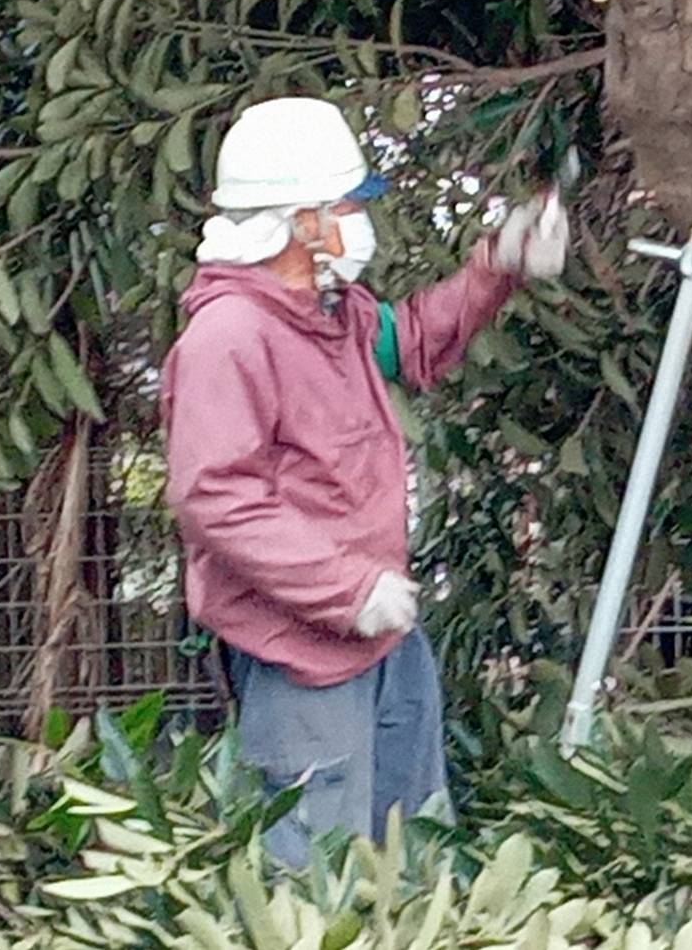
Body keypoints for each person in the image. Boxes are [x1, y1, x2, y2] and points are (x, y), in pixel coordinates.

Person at [160, 96, 566, 866]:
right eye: (347, 206)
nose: (359, 221)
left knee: (413, 848)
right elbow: (214, 496)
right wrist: (345, 589)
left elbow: (408, 341)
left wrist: (495, 267)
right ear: (302, 221)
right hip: (301, 649)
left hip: (381, 633)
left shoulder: (329, 311)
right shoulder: (230, 337)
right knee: (317, 876)